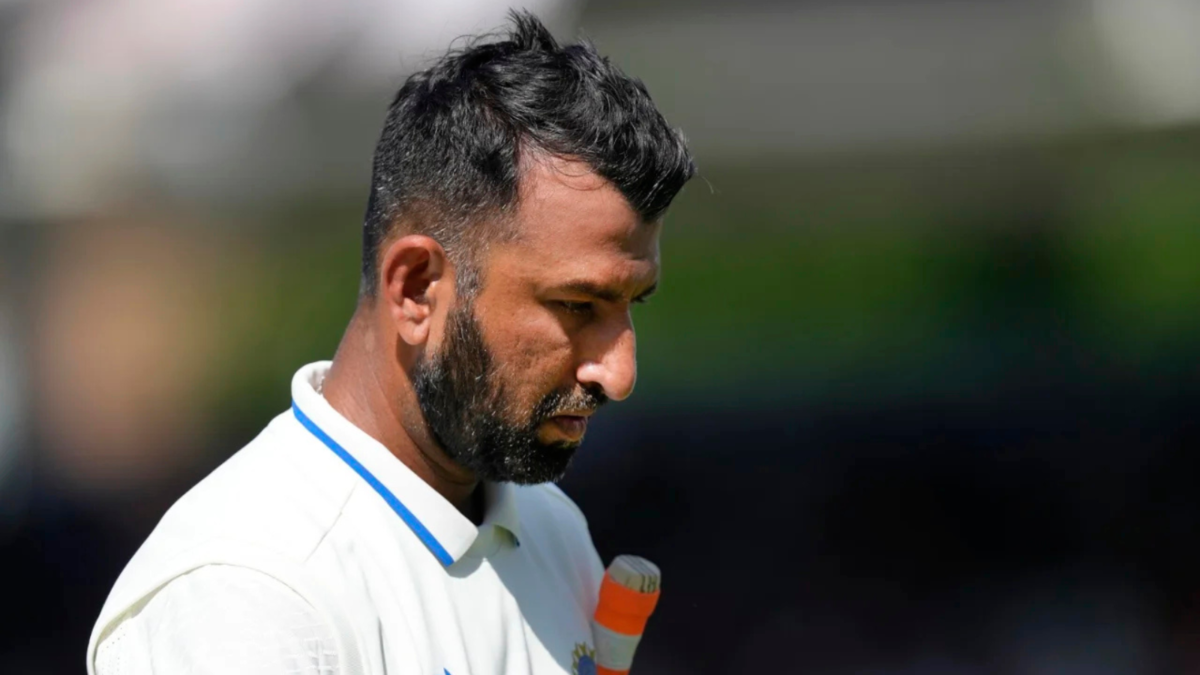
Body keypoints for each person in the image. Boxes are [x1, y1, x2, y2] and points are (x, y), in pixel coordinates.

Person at [86, 11, 694, 675]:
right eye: (577, 305)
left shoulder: (553, 532)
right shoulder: (247, 594)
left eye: (631, 305)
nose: (620, 373)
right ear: (415, 289)